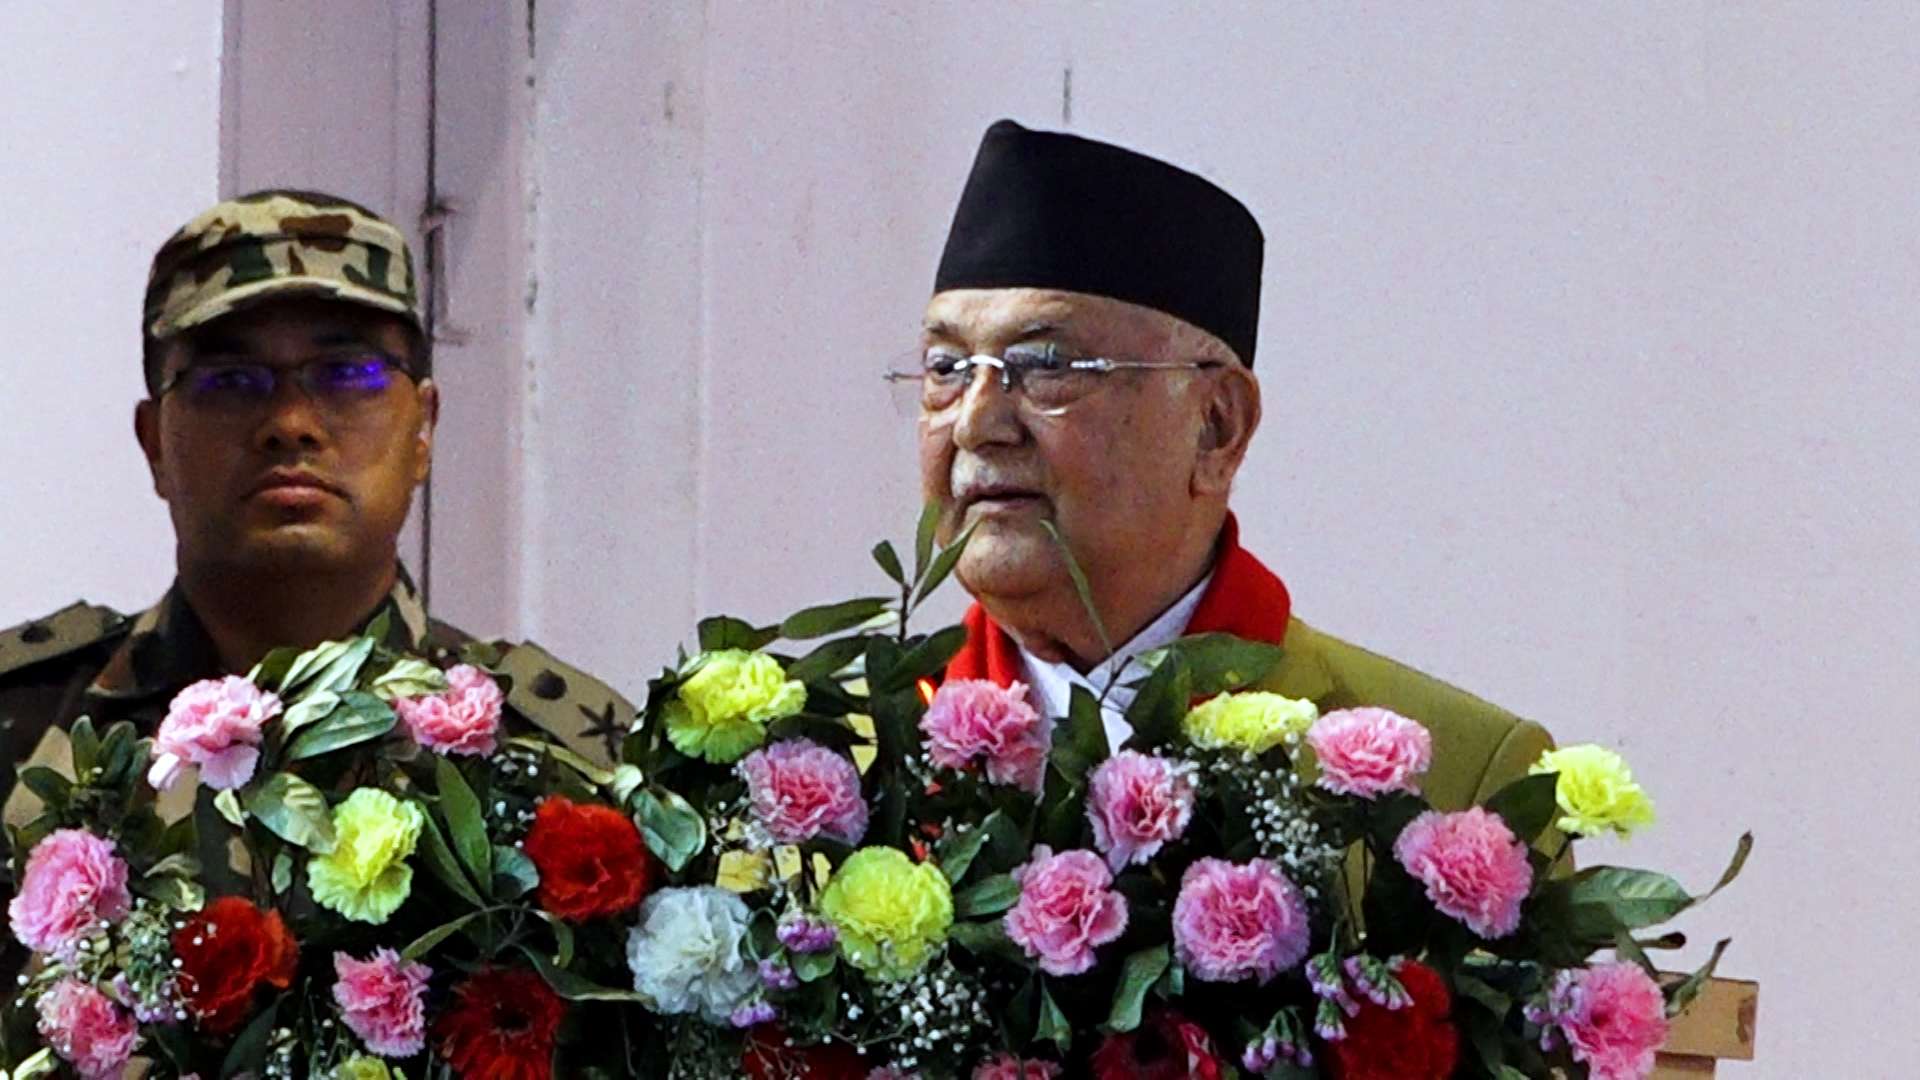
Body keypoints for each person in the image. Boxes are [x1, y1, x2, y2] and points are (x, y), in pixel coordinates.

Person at [0, 190, 628, 967]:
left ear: (424, 429)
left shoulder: (564, 769)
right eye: (230, 380)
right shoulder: (28, 730)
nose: (291, 423)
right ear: (154, 440)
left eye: (347, 372)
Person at [919, 120, 1551, 808]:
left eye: (1045, 364)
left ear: (1217, 426)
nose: (976, 424)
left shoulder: (1459, 782)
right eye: (947, 367)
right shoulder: (850, 765)